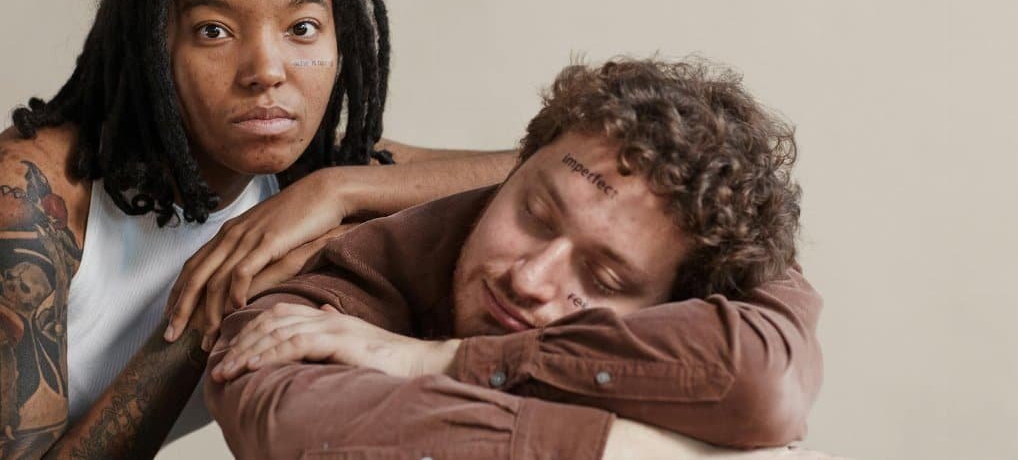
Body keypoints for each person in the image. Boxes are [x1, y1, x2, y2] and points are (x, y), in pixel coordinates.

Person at [0, 0, 515, 459]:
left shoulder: (308, 177)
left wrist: (336, 190)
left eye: (303, 28)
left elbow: (545, 169)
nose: (267, 72)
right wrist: (203, 320)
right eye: (214, 31)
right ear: (154, 44)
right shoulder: (27, 198)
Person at [206, 58, 823, 459]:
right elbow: (306, 425)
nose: (530, 279)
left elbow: (762, 381)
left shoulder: (719, 285)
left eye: (604, 277)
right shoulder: (324, 297)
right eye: (534, 215)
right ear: (514, 169)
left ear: (679, 303)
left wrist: (441, 360)